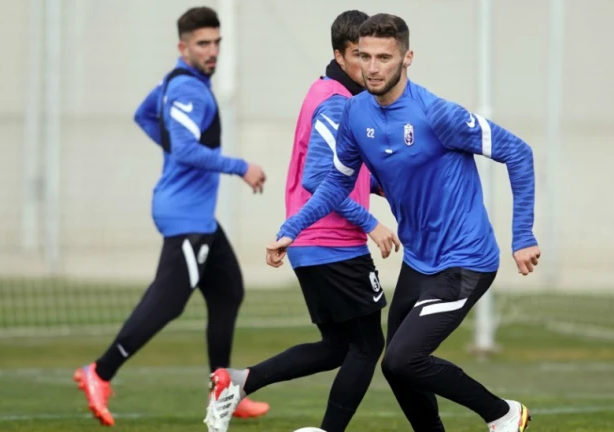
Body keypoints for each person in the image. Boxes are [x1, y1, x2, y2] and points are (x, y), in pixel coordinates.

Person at [265, 13, 539, 432]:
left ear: (407, 58)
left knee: (402, 358)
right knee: (398, 369)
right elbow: (336, 182)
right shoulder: (355, 112)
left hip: (466, 260)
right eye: (365, 56)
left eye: (384, 58)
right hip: (419, 260)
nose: (373, 67)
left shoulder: (437, 114)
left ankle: (503, 414)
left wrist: (523, 235)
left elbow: (518, 152)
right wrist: (292, 228)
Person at [73, 7, 269, 426]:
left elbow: (143, 114)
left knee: (228, 291)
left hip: (198, 217)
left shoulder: (175, 82)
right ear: (183, 47)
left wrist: (173, 148)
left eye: (216, 42)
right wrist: (240, 167)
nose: (212, 51)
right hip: (185, 216)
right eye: (203, 44)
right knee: (168, 301)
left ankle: (223, 390)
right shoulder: (189, 91)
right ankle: (100, 372)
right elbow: (185, 149)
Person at [203, 10, 399, 432]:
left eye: (373, 55)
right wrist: (371, 223)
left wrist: (382, 187)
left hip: (315, 241)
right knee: (368, 345)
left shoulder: (331, 92)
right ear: (339, 55)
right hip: (331, 240)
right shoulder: (335, 101)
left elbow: (340, 170)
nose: (369, 65)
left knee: (338, 346)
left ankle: (239, 382)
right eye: (359, 55)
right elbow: (317, 178)